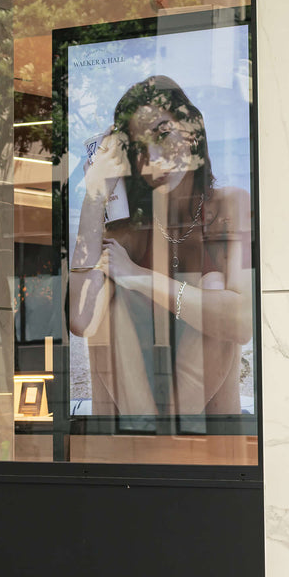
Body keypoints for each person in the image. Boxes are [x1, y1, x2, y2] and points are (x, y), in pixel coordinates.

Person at [68, 75, 252, 428]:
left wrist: (140, 278)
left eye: (163, 134)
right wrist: (94, 195)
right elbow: (81, 319)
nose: (153, 157)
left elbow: (242, 323)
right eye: (138, 148)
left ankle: (163, 432)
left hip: (209, 431)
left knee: (215, 291)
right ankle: (154, 433)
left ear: (192, 132)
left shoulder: (229, 205)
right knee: (108, 301)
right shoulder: (128, 229)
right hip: (134, 417)